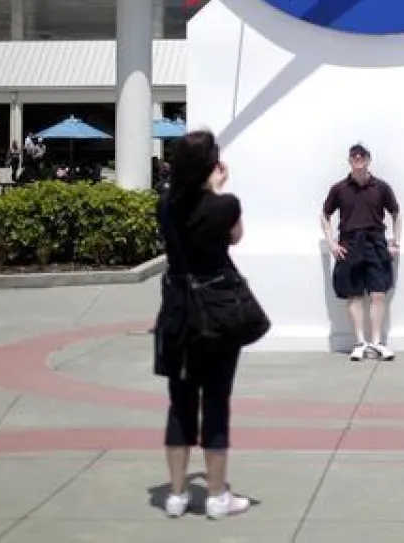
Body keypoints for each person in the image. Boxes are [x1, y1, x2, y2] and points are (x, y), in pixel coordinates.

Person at [156, 129, 251, 520]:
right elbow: (236, 237)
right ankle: (215, 496)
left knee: (179, 405)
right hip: (215, 312)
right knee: (215, 401)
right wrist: (216, 190)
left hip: (177, 312)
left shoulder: (164, 205)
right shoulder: (224, 205)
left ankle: (176, 495)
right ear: (211, 165)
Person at [321, 142, 401, 361]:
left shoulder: (381, 187)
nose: (358, 159)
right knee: (354, 295)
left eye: (362, 156)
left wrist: (395, 243)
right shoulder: (339, 188)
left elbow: (396, 213)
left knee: (378, 293)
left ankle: (376, 343)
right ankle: (360, 343)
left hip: (376, 242)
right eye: (354, 157)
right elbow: (324, 215)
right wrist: (332, 244)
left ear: (368, 159)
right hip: (349, 243)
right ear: (349, 161)